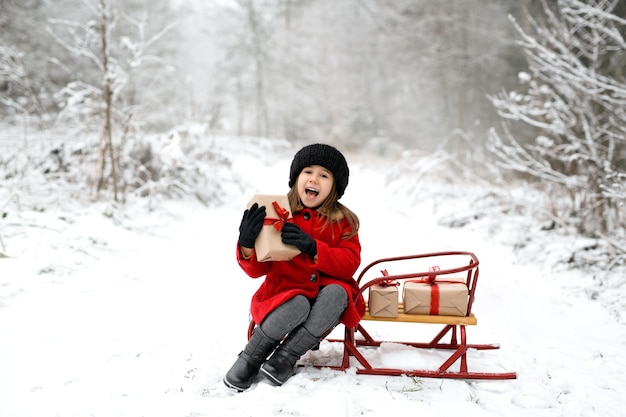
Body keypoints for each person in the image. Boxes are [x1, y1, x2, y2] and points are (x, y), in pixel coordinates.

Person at [223, 143, 365, 391]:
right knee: (296, 302)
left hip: (324, 297)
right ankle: (251, 356)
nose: (314, 179)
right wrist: (247, 243)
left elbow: (349, 263)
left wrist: (313, 247)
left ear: (335, 186)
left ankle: (286, 357)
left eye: (324, 175)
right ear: (296, 178)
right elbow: (256, 270)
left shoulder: (344, 221)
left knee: (337, 293)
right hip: (284, 294)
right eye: (307, 172)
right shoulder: (278, 212)